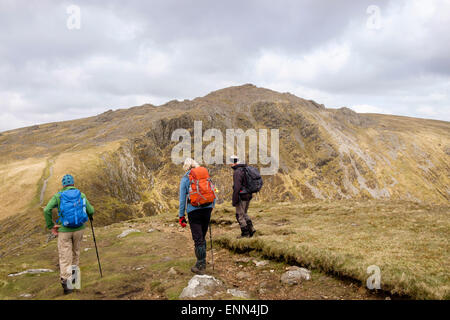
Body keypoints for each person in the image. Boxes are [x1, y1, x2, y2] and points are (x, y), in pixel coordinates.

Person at [43, 174, 94, 295]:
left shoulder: (58, 196)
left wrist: (51, 226)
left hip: (65, 231)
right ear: (73, 183)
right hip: (79, 229)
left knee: (65, 257)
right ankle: (75, 281)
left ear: (63, 184)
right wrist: (89, 215)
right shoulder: (81, 195)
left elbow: (46, 210)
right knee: (75, 253)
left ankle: (67, 286)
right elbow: (91, 210)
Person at [178, 158, 215, 275]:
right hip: (207, 208)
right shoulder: (205, 176)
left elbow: (182, 200)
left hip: (193, 211)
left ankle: (201, 264)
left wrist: (181, 216)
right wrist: (211, 207)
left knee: (197, 238)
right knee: (202, 236)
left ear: (186, 167)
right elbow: (212, 191)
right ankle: (202, 260)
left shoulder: (185, 179)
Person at [230, 155, 256, 238]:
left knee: (239, 215)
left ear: (234, 163)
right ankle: (251, 229)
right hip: (248, 195)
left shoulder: (237, 172)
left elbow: (237, 187)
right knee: (244, 213)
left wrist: (234, 200)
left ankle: (245, 234)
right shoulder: (245, 169)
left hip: (242, 196)